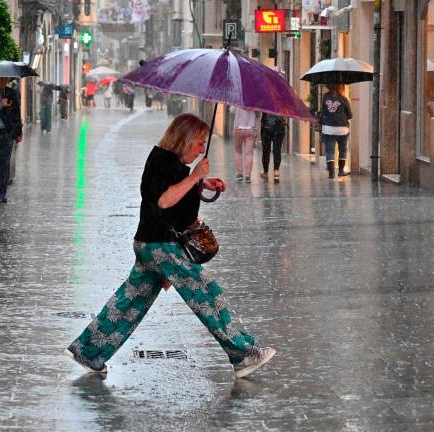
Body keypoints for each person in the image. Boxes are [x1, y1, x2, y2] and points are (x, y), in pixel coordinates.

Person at [63, 113, 276, 379]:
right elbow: (164, 200)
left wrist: (200, 183)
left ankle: (88, 352)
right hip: (162, 247)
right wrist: (194, 176)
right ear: (184, 139)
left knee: (128, 303)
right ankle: (243, 353)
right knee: (207, 295)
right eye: (199, 143)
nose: (201, 149)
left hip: (150, 245)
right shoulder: (164, 162)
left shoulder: (168, 162)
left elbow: (172, 195)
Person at [319, 83, 352, 179]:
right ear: (341, 87)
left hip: (328, 128)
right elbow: (350, 115)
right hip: (342, 129)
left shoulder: (325, 97)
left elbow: (323, 111)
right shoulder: (343, 99)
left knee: (329, 151)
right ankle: (341, 171)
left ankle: (331, 173)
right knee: (343, 149)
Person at [231, 106, 257, 183]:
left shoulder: (237, 100)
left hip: (238, 129)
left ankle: (239, 174)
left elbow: (231, 110)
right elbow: (258, 114)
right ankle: (248, 175)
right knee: (249, 154)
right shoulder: (254, 102)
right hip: (250, 129)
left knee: (238, 152)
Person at [260, 112, 286, 183]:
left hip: (266, 126)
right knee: (277, 149)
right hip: (279, 126)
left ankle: (265, 172)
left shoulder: (265, 101)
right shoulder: (281, 102)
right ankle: (276, 171)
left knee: (266, 149)